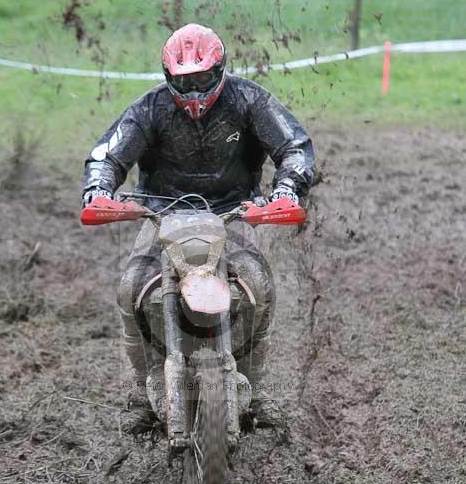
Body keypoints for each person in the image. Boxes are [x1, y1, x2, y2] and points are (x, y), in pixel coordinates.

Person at [82, 23, 315, 434]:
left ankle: (254, 392)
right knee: (129, 287)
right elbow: (108, 154)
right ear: (168, 76)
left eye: (202, 79)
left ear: (221, 69)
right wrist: (98, 190)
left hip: (234, 212)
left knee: (259, 285)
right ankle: (142, 393)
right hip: (159, 213)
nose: (193, 92)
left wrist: (287, 189)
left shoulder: (250, 100)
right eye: (183, 81)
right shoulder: (149, 109)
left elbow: (293, 146)